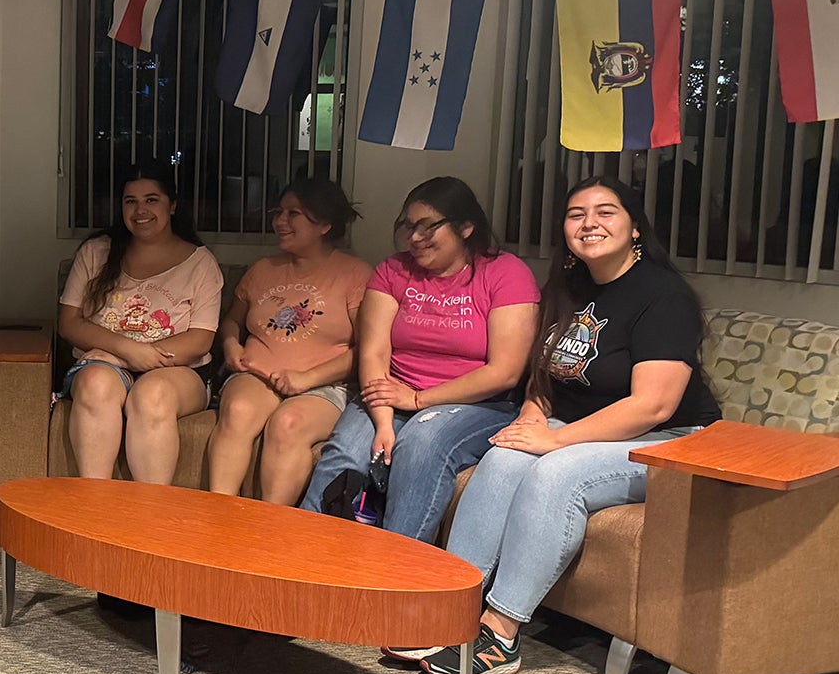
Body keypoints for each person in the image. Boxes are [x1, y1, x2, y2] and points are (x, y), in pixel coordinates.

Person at [407, 177, 721, 674]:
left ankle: (501, 632)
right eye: (576, 214)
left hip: (670, 441)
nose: (589, 223)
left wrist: (553, 439)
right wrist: (533, 413)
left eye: (606, 212)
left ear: (635, 227)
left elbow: (654, 405)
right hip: (585, 427)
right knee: (505, 453)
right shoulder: (569, 286)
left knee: (557, 473)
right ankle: (450, 605)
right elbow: (547, 374)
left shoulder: (664, 295)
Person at [299, 177, 540, 542]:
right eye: (409, 227)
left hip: (477, 402)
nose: (414, 238)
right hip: (391, 395)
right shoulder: (393, 271)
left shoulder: (506, 273)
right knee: (346, 451)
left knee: (422, 442)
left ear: (466, 227)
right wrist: (382, 421)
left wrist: (417, 400)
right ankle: (303, 564)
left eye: (428, 226)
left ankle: (396, 574)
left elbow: (504, 372)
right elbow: (375, 351)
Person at [206, 179, 372, 503]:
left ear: (324, 224)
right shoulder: (263, 269)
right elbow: (231, 321)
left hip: (326, 385)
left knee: (289, 423)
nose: (279, 222)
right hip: (256, 374)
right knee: (238, 410)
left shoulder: (355, 274)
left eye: (293, 214)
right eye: (278, 212)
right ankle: (217, 516)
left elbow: (368, 350)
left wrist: (306, 378)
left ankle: (271, 533)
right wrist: (231, 345)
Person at [59, 161, 224, 484]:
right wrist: (124, 350)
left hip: (179, 372)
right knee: (96, 383)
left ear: (172, 206)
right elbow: (69, 323)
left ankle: (148, 517)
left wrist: (128, 355)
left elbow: (200, 341)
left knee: (152, 395)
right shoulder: (96, 252)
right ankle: (94, 508)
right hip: (102, 367)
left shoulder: (201, 263)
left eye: (152, 200)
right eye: (130, 201)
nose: (140, 210)